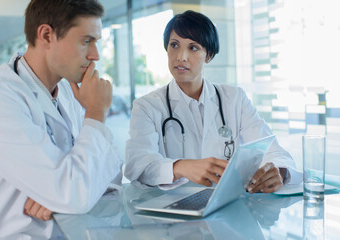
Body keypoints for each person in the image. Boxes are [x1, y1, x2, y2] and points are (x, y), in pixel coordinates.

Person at [0, 0, 122, 238]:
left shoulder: (67, 91)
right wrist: (96, 114)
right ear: (46, 35)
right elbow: (75, 193)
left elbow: (112, 176)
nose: (95, 55)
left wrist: (59, 194)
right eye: (86, 41)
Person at [125, 10, 301, 192]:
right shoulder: (147, 106)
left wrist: (279, 173)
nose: (181, 56)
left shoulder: (235, 99)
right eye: (174, 45)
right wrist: (179, 167)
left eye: (193, 48)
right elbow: (138, 165)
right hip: (173, 212)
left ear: (208, 55)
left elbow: (272, 150)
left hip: (226, 206)